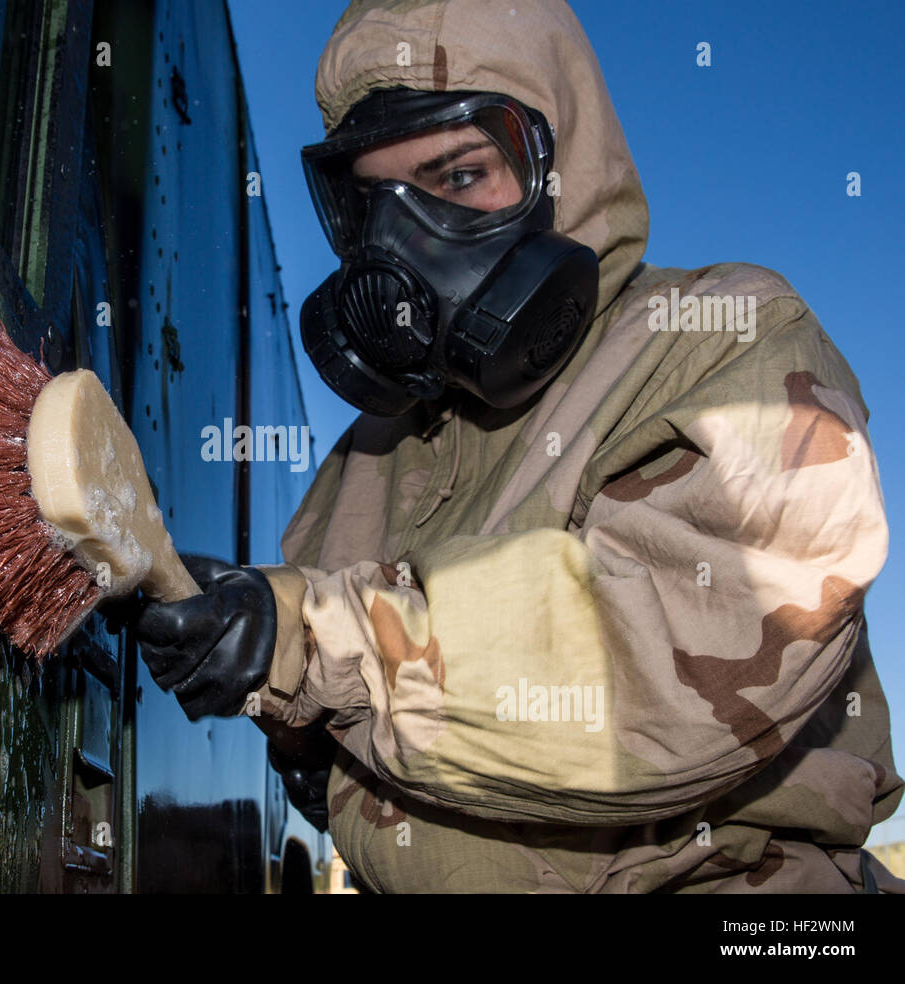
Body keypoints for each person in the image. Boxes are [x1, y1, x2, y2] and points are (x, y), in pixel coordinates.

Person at [119, 0, 903, 892]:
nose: (404, 245)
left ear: (563, 166)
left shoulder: (725, 341)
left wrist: (316, 639)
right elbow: (358, 759)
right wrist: (271, 691)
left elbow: (675, 663)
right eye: (373, 205)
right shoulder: (359, 469)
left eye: (458, 176)